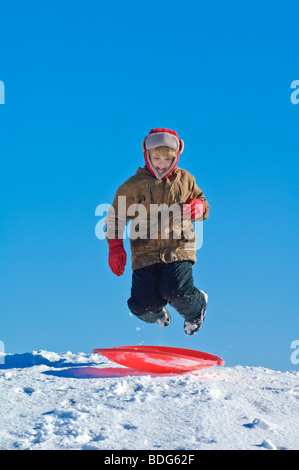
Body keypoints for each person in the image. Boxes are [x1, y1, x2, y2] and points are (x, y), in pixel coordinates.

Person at [105, 128, 209, 335]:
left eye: (167, 159)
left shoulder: (185, 179)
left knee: (176, 291)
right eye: (156, 157)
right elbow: (115, 217)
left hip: (178, 247)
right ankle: (157, 311)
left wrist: (198, 207)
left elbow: (203, 203)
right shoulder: (133, 186)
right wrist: (115, 247)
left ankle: (196, 308)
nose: (161, 163)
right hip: (145, 253)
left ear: (176, 156)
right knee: (141, 306)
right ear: (147, 155)